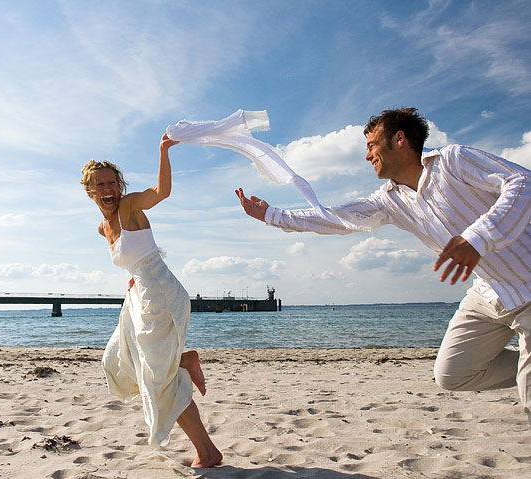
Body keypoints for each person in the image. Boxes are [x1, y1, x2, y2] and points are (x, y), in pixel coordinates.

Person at [236, 107, 531, 426]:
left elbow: (521, 182)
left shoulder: (453, 161)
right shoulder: (390, 199)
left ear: (400, 139)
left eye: (371, 145)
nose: (367, 156)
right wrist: (272, 215)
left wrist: (478, 237)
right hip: (489, 293)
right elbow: (338, 218)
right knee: (452, 375)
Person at [80, 133, 223, 467]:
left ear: (120, 185)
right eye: (100, 185)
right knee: (116, 358)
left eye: (113, 183)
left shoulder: (129, 206)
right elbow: (135, 258)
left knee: (159, 380)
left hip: (160, 295)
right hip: (139, 296)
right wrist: (133, 275)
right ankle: (184, 360)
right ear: (90, 191)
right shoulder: (103, 227)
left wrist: (163, 150)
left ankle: (207, 453)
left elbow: (161, 192)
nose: (108, 189)